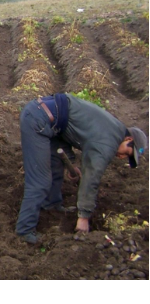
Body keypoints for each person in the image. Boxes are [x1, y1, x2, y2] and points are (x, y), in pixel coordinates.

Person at [15, 93, 148, 244]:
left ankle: (52, 204)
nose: (123, 157)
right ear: (128, 139)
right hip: (38, 118)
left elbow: (72, 128)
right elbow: (91, 178)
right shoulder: (108, 142)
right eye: (128, 153)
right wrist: (84, 217)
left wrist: (71, 163)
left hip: (51, 121)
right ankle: (24, 230)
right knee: (40, 181)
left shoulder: (113, 130)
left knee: (56, 166)